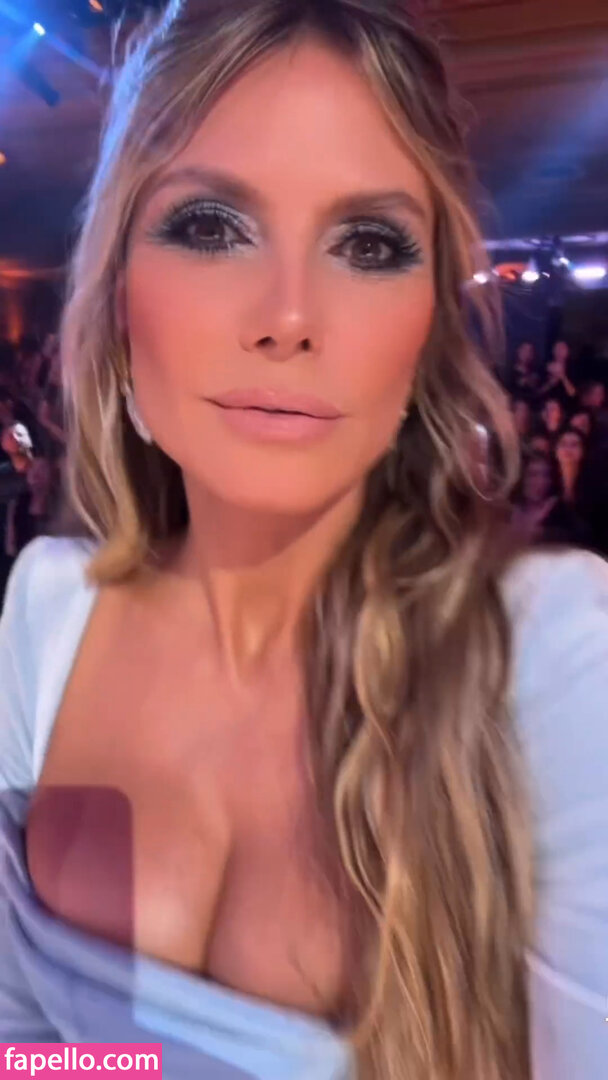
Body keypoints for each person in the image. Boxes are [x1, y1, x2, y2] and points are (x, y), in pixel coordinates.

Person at [0, 3, 607, 1080]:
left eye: (368, 244)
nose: (288, 316)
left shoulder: (555, 652)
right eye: (209, 227)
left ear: (426, 332)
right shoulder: (49, 610)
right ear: (119, 294)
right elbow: (32, 1048)